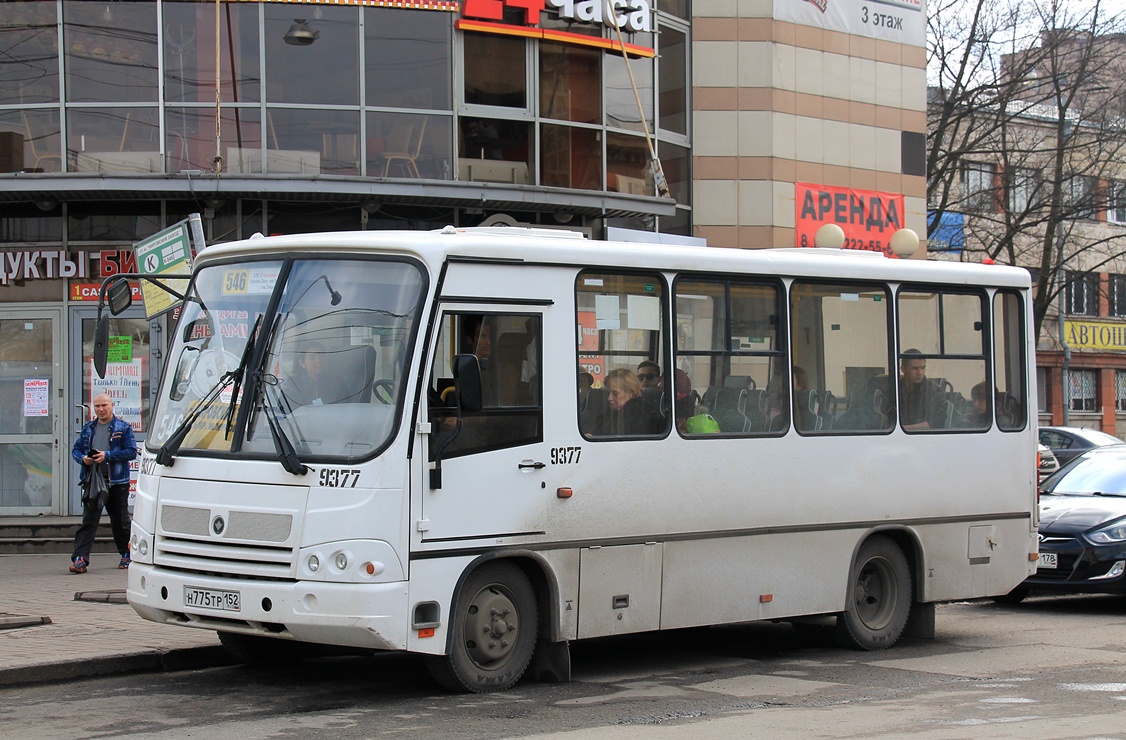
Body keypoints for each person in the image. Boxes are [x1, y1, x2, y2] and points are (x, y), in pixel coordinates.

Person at [69, 393, 137, 574]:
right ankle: (80, 559)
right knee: (89, 520)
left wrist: (107, 456)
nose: (100, 409)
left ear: (112, 405)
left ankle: (127, 554)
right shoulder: (89, 428)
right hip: (93, 481)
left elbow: (131, 452)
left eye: (104, 405)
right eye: (97, 406)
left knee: (120, 520)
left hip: (116, 481)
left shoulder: (123, 428)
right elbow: (76, 450)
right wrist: (84, 459)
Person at [595, 368, 660, 436]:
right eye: (608, 393)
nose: (609, 398)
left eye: (615, 394)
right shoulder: (612, 413)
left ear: (630, 393)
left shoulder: (639, 417)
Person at [285, 342, 347, 406]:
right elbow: (286, 410)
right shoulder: (292, 383)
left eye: (321, 356)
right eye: (312, 357)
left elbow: (345, 408)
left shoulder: (337, 381)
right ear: (302, 363)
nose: (318, 360)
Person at [899, 350, 947, 430]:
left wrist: (902, 428)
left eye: (923, 367)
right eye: (915, 368)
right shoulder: (895, 389)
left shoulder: (934, 391)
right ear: (903, 369)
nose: (920, 372)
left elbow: (936, 422)